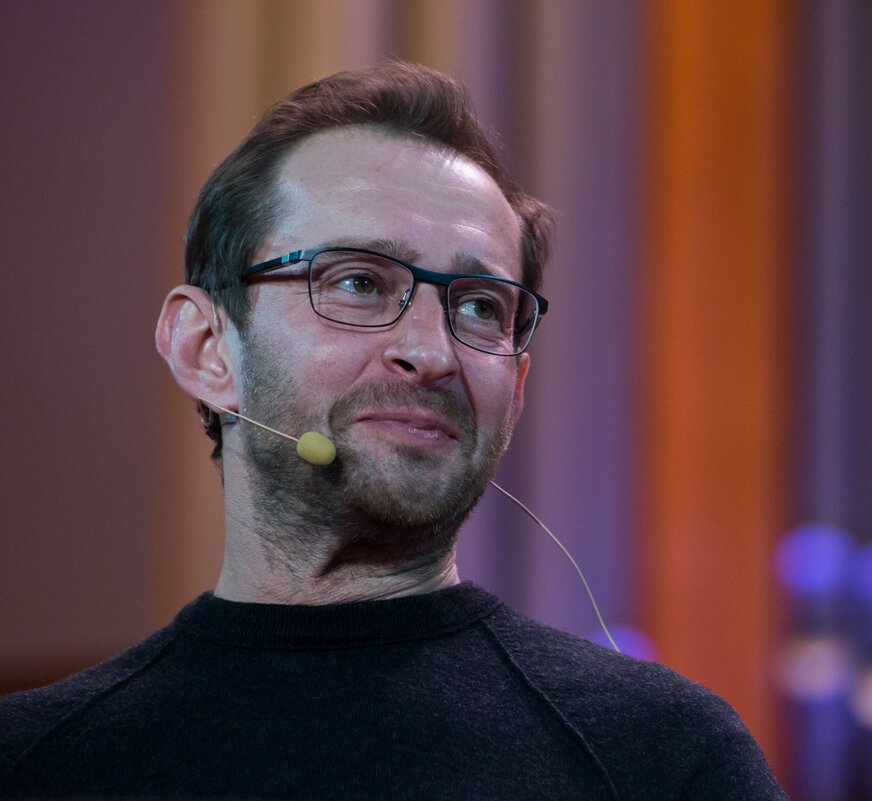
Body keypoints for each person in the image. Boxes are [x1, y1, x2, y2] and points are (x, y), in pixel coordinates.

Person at [0, 61, 786, 799]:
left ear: (516, 388)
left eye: (479, 305)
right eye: (358, 281)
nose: (432, 352)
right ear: (207, 349)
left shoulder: (665, 757)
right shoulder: (34, 762)